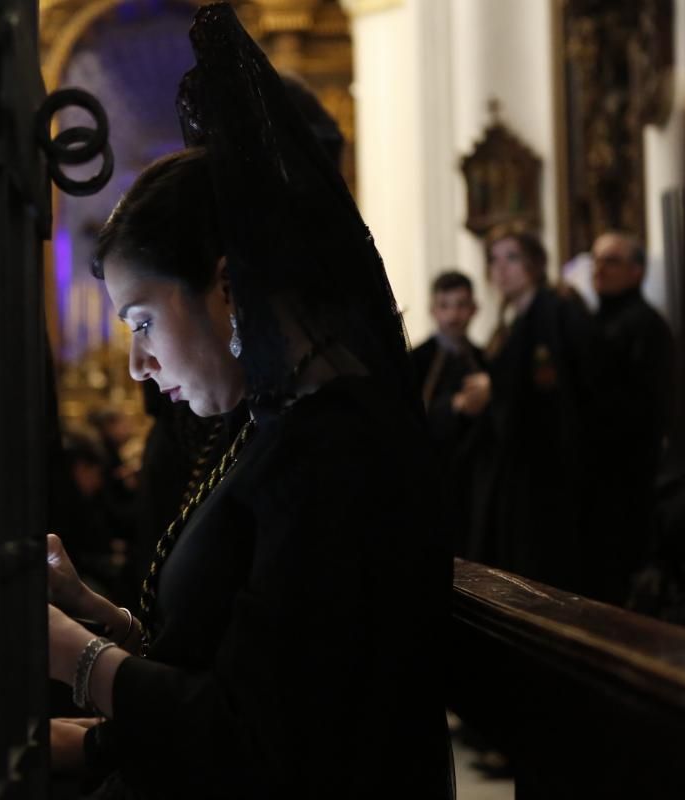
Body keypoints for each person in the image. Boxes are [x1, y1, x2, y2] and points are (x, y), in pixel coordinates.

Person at [45, 6, 452, 797]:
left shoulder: (336, 452)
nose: (134, 362)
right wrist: (85, 608)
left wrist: (70, 655)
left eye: (142, 320)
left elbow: (258, 736)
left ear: (227, 287)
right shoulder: (273, 428)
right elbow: (226, 650)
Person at [469, 228, 594, 594]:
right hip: (522, 468)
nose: (501, 269)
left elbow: (563, 390)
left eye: (512, 258)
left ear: (535, 264)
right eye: (494, 259)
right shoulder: (513, 322)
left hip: (551, 470)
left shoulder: (557, 312)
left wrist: (496, 389)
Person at [588, 231, 674, 603]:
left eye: (611, 260)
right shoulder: (594, 322)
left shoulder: (647, 326)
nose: (599, 269)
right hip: (598, 475)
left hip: (630, 473)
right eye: (596, 260)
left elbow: (646, 406)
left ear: (637, 271)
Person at [410, 270, 488, 556]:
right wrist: (452, 407)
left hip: (474, 482)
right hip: (433, 479)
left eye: (461, 305)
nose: (453, 316)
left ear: (474, 309)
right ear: (433, 310)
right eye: (445, 306)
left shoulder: (484, 359)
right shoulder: (416, 360)